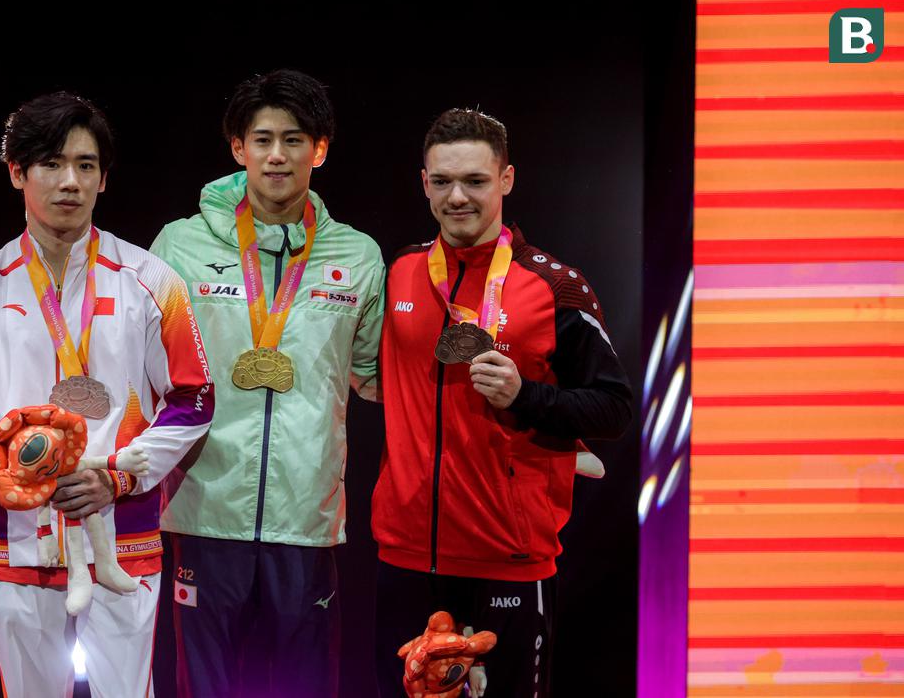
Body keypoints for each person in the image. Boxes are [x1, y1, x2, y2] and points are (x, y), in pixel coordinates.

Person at [0, 91, 213, 698]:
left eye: (86, 166)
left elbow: (194, 401)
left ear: (104, 179)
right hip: (17, 541)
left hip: (123, 537)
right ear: (16, 172)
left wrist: (120, 478)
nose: (70, 182)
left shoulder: (150, 282)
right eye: (52, 164)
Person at [372, 108, 633, 698]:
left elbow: (614, 409)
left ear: (506, 180)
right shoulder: (401, 273)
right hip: (406, 556)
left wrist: (527, 397)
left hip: (507, 559)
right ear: (423, 182)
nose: (457, 197)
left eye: (475, 181)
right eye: (442, 182)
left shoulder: (554, 286)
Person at [150, 69, 384, 698]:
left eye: (294, 139)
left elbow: (374, 378)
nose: (277, 155)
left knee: (307, 684)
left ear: (320, 148)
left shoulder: (358, 256)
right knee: (204, 685)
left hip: (306, 516)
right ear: (237, 148)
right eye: (262, 139)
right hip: (203, 505)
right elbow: (143, 370)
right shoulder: (179, 245)